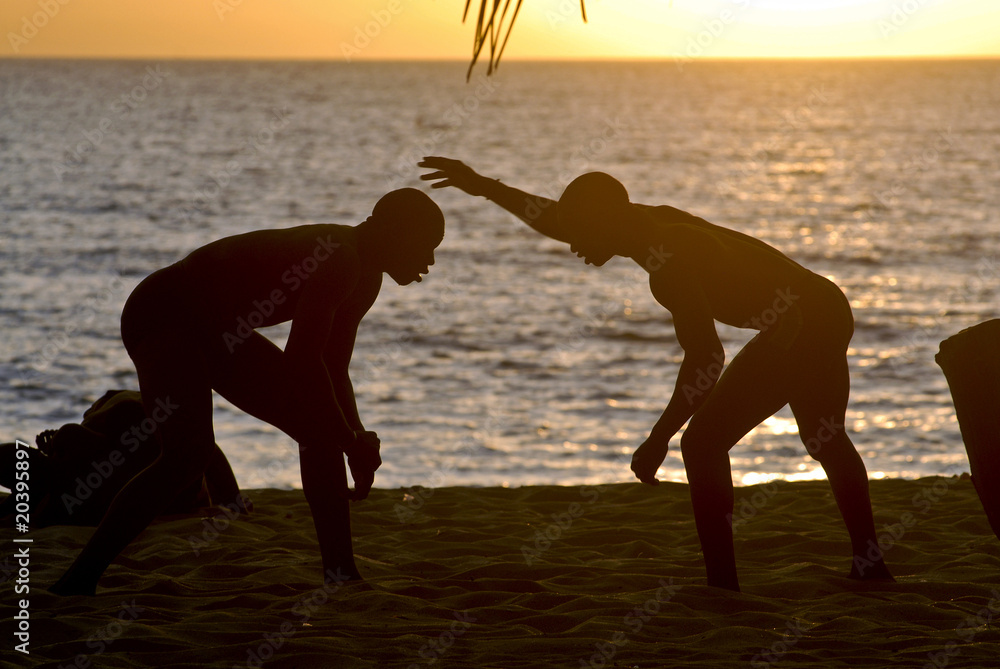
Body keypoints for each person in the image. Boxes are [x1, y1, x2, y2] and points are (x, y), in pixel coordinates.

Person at [418, 156, 892, 592]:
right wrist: (484, 187)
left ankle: (722, 586)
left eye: (580, 233)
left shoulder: (669, 264)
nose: (572, 246)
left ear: (603, 222)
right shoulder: (639, 220)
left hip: (803, 320)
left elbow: (707, 357)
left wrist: (659, 437)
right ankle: (870, 566)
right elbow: (561, 219)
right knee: (825, 439)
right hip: (827, 303)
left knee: (701, 443)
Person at [50, 188, 445, 596]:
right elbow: (303, 363)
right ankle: (77, 580)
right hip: (163, 312)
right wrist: (348, 440)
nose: (430, 262)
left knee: (319, 430)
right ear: (395, 232)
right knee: (186, 457)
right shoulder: (341, 258)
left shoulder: (366, 278)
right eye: (427, 247)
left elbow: (332, 368)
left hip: (219, 328)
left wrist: (355, 438)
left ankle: (341, 575)